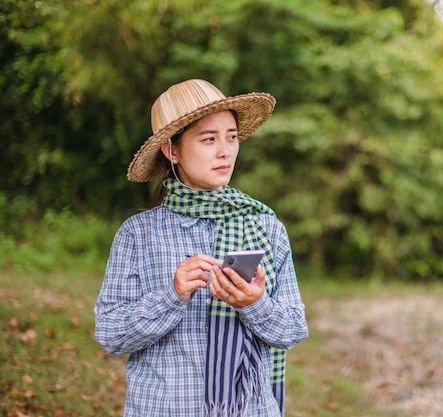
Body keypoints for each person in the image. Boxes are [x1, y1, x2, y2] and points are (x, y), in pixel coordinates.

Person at [94, 79, 309, 417]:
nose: (225, 151)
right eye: (209, 139)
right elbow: (110, 334)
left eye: (232, 137)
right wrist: (173, 295)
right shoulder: (139, 235)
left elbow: (294, 328)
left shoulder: (265, 227)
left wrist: (255, 304)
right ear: (172, 150)